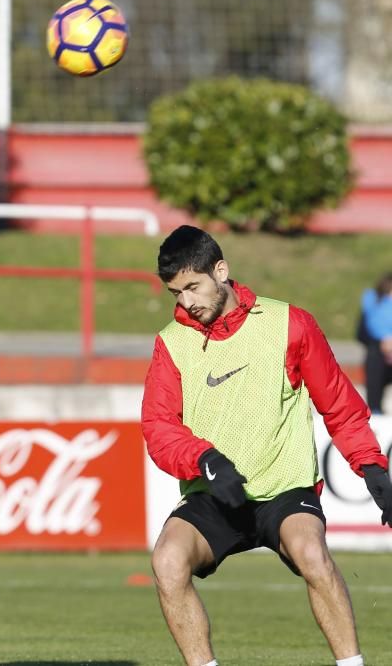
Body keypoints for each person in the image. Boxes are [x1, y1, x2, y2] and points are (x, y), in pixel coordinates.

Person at [141, 225, 392, 666]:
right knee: (167, 560)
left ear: (221, 271)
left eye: (194, 287)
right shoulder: (171, 344)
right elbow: (159, 428)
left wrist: (371, 467)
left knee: (311, 552)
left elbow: (338, 404)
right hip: (215, 492)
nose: (187, 302)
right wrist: (206, 460)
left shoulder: (290, 323)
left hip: (284, 490)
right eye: (176, 293)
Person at [358, 272, 392, 414]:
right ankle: (375, 411)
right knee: (374, 371)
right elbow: (364, 330)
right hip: (378, 350)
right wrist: (384, 340)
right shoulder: (373, 301)